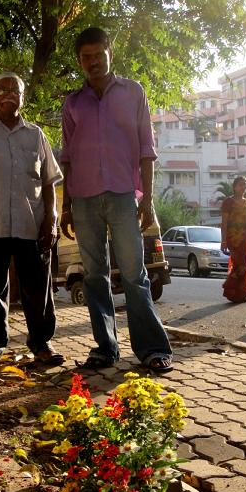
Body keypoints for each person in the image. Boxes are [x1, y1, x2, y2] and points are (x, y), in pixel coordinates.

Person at [60, 27, 173, 373]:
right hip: (84, 199)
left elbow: (147, 150)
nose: (92, 62)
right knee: (94, 276)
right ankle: (105, 348)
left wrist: (148, 199)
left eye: (98, 54)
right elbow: (67, 158)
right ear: (80, 61)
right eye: (85, 57)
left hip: (125, 195)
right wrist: (66, 206)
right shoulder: (73, 103)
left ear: (110, 52)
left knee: (135, 273)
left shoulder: (133, 92)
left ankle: (152, 349)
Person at [0, 72, 64, 369]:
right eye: (2, 89)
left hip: (31, 225)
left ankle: (42, 344)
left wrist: (52, 220)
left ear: (22, 97)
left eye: (15, 90)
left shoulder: (36, 135)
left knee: (38, 288)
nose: (9, 94)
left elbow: (49, 181)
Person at [221, 176, 246, 303]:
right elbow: (224, 223)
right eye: (240, 184)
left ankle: (242, 294)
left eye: (245, 184)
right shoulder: (228, 202)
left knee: (245, 265)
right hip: (233, 238)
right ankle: (230, 290)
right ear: (234, 187)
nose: (243, 187)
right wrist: (223, 241)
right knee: (239, 265)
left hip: (245, 238)